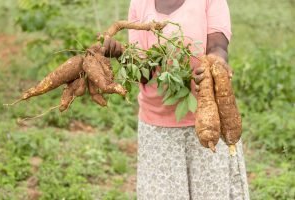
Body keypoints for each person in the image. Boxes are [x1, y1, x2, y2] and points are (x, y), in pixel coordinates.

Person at [99, 0, 250, 199]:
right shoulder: (139, 3)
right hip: (157, 128)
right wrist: (121, 54)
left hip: (208, 121)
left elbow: (218, 47)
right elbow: (144, 73)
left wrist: (216, 65)